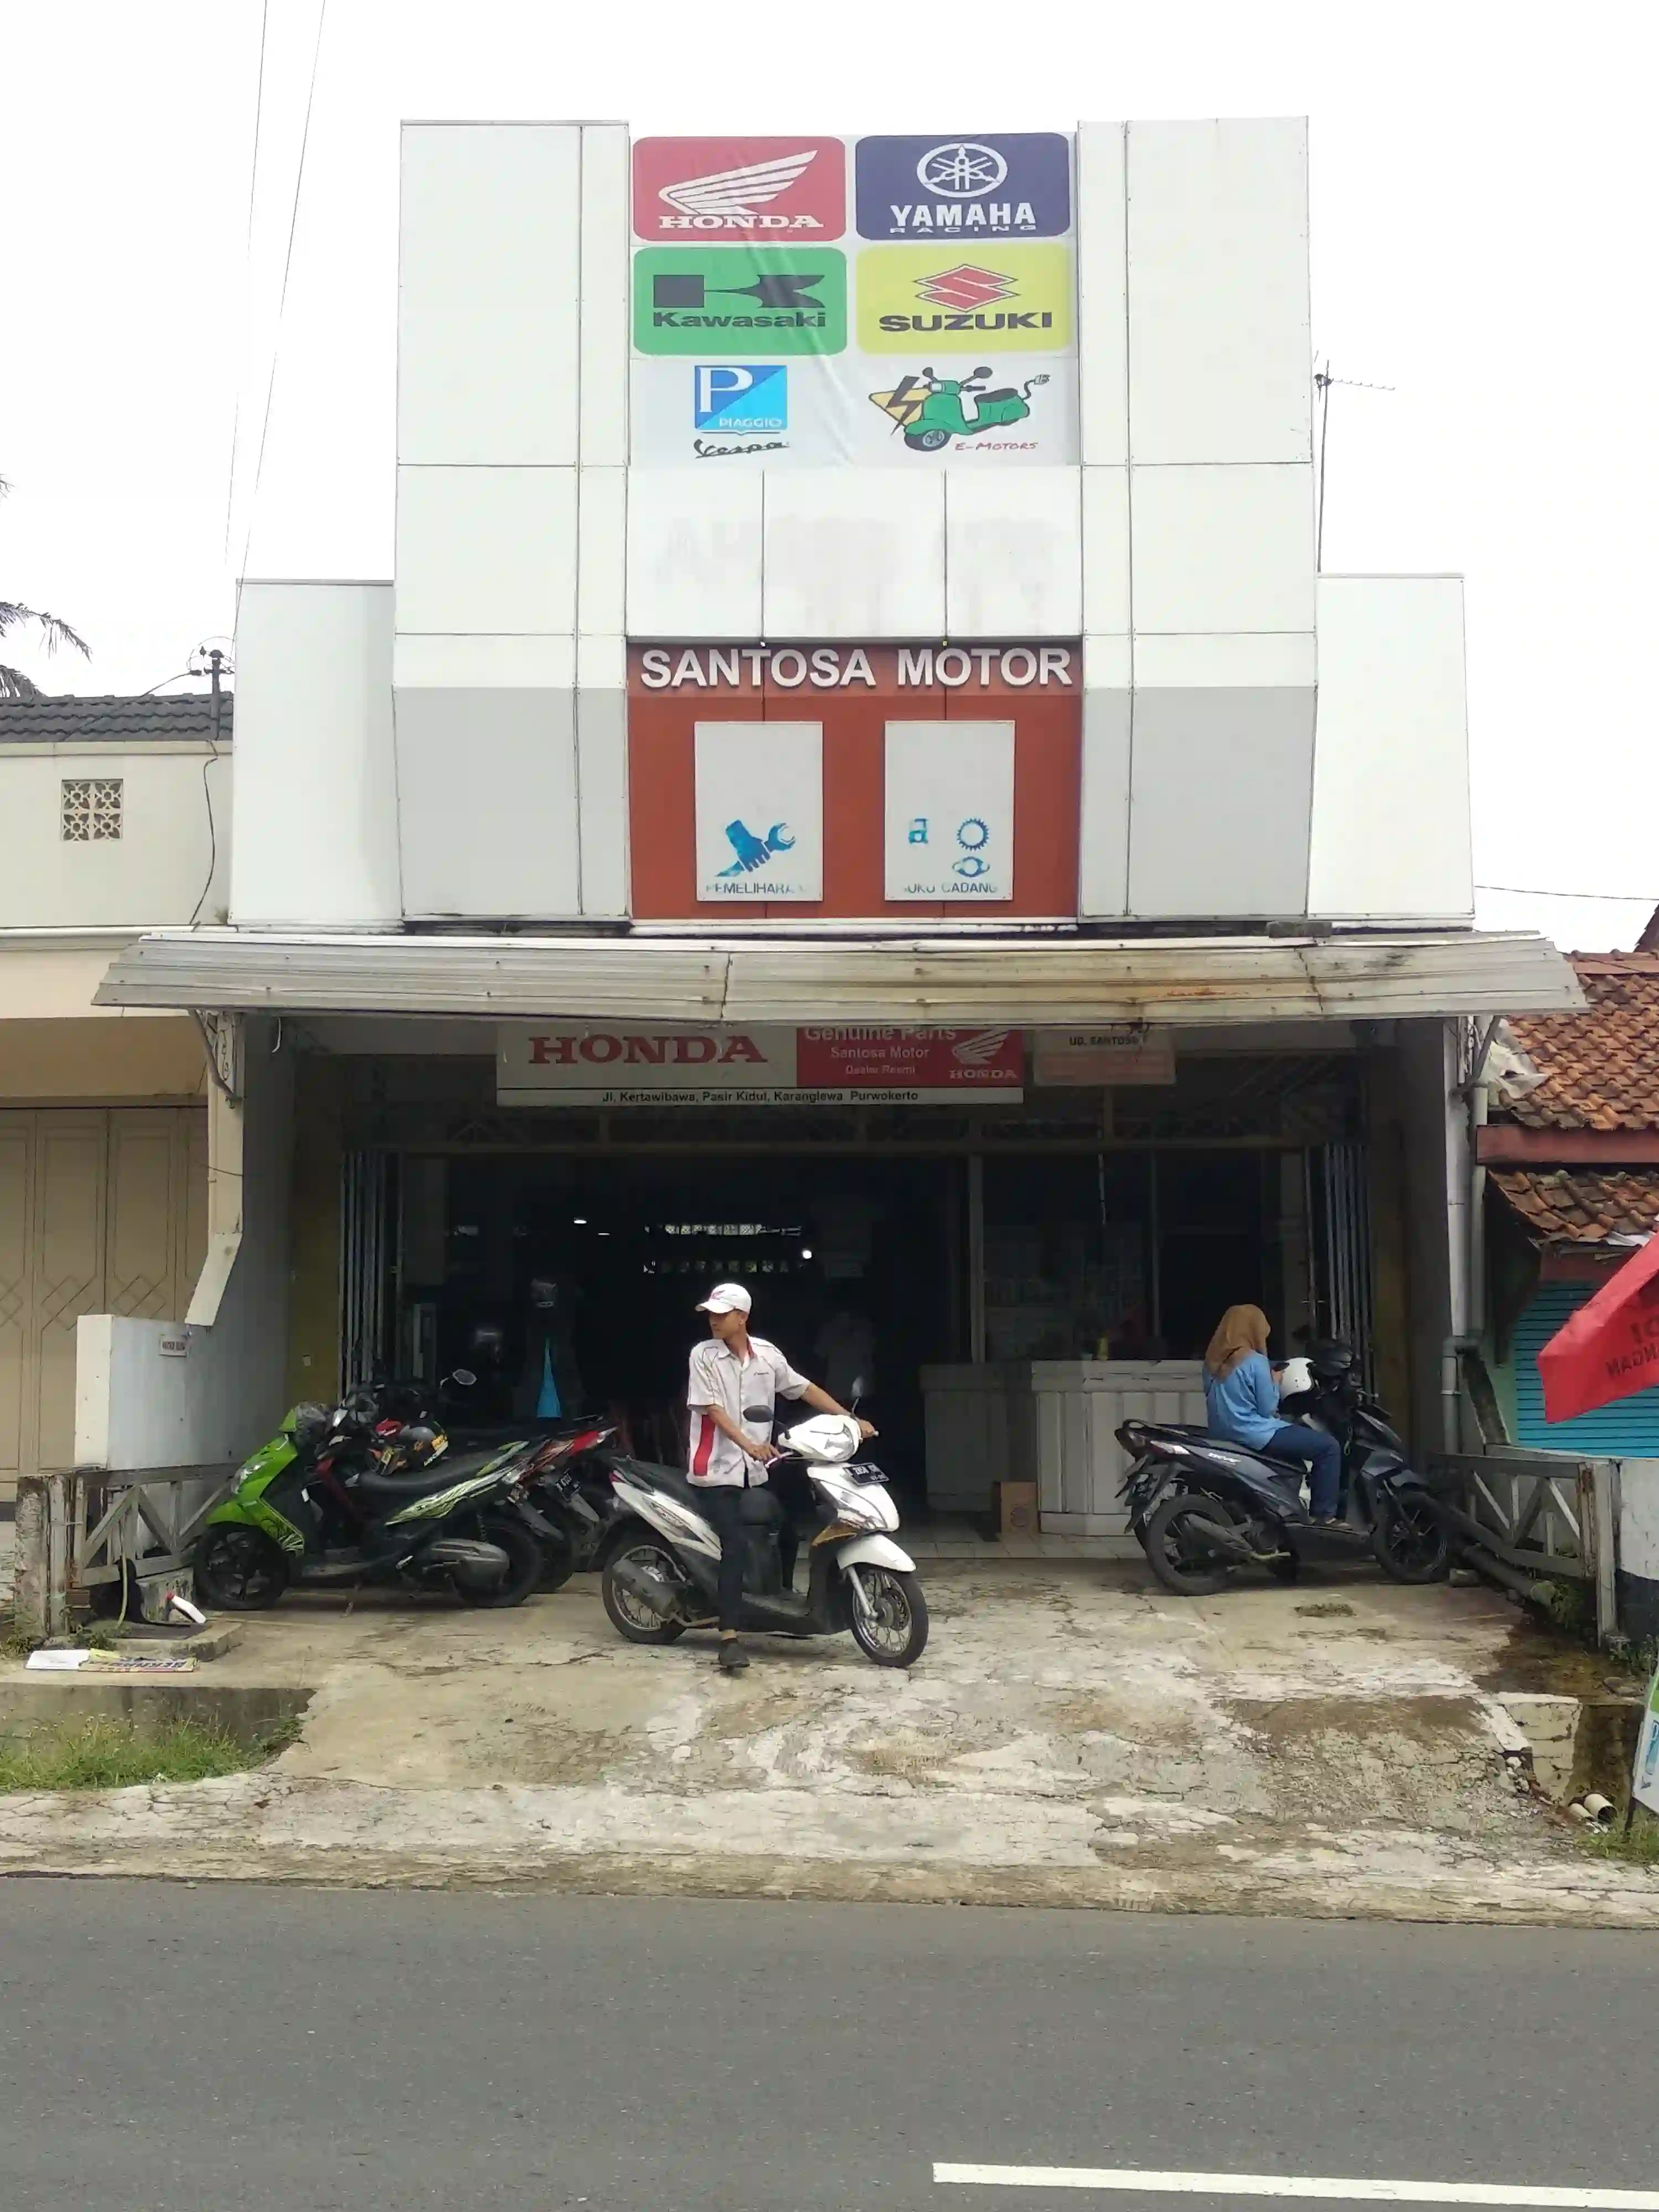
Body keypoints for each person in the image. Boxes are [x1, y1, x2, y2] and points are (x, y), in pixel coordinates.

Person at [687, 1281, 875, 1673]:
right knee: (735, 1545)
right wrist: (748, 1444)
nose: (714, 1321)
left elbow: (804, 1389)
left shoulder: (768, 1356)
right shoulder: (703, 1355)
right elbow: (713, 1411)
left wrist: (851, 1419)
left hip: (757, 1469)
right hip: (715, 1470)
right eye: (711, 1314)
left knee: (788, 1532)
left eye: (721, 1314)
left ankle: (780, 1599)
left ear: (743, 1317)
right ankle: (729, 1637)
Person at [1202, 1303, 1343, 1524]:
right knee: (1329, 1448)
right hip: (1254, 1433)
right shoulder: (1255, 1361)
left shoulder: (1211, 1363)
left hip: (1222, 1433)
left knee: (1293, 1455)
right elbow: (1267, 1409)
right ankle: (1324, 1517)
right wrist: (1275, 1381)